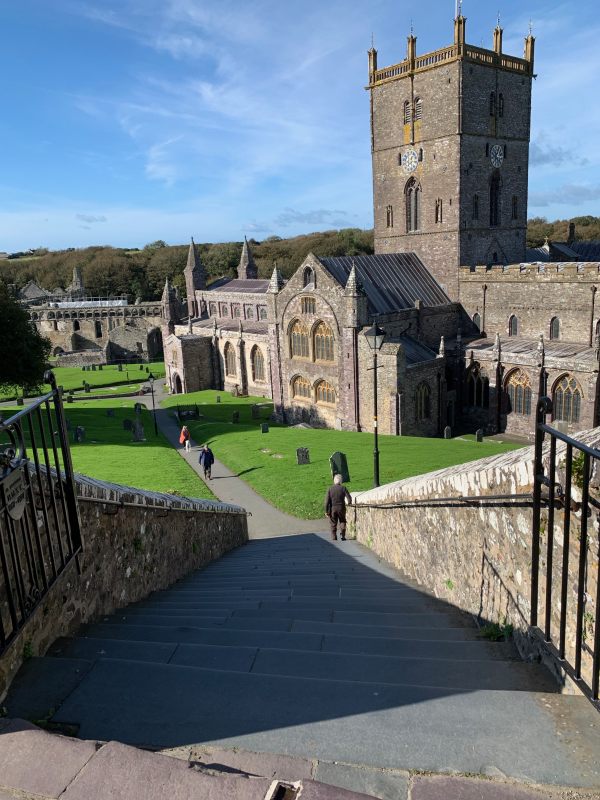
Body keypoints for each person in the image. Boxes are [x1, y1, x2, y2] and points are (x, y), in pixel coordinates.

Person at [324, 474, 352, 541]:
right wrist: (349, 503)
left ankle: (334, 537)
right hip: (341, 508)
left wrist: (326, 511)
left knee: (333, 523)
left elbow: (326, 502)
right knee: (342, 521)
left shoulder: (330, 489)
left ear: (334, 481)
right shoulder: (343, 488)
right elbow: (349, 498)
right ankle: (343, 535)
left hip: (332, 509)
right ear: (341, 481)